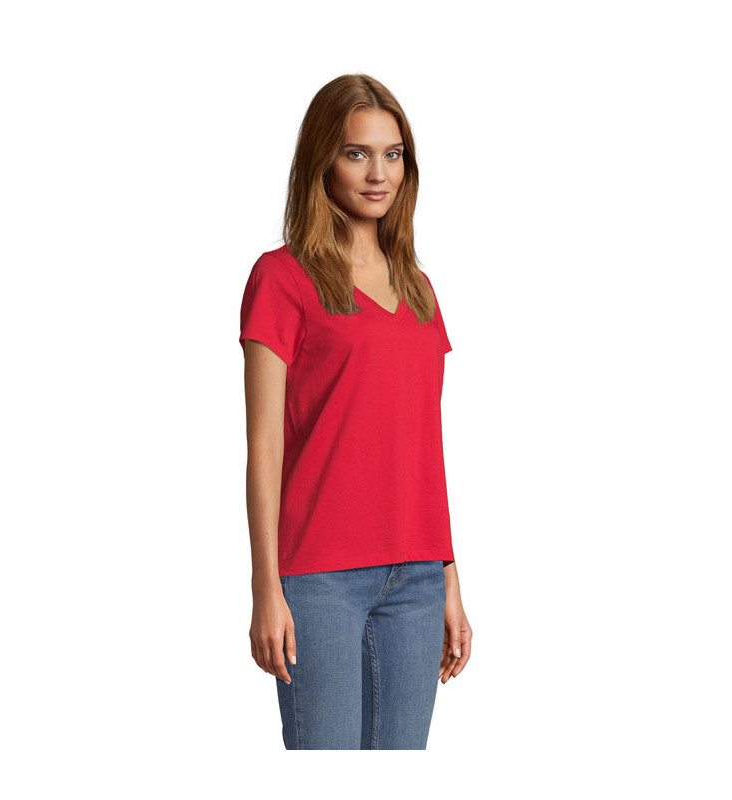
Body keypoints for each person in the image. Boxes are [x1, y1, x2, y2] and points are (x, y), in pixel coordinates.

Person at [238, 73, 472, 750]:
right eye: (356, 153)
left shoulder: (419, 289)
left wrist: (449, 576)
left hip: (418, 579)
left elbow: (422, 444)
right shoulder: (281, 278)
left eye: (392, 154)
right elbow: (264, 447)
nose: (378, 174)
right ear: (323, 161)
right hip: (320, 579)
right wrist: (265, 588)